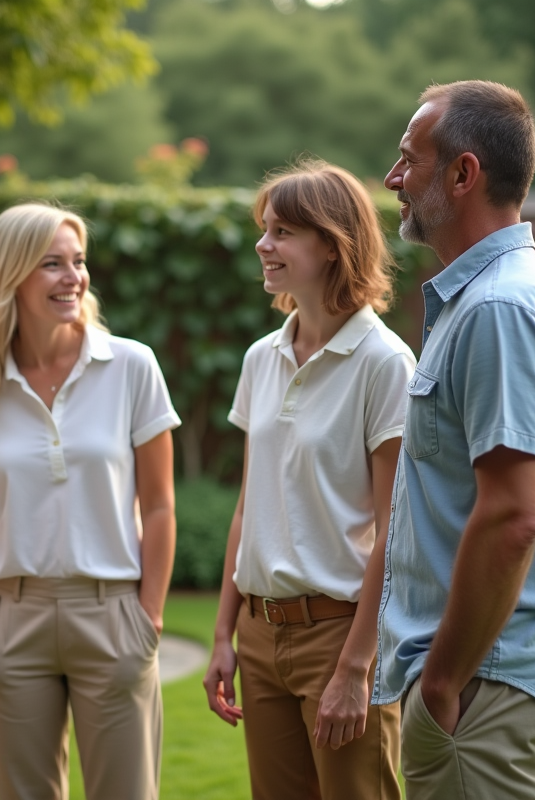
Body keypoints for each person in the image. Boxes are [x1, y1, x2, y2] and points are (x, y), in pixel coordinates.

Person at [373, 80, 535, 799]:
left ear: (463, 174)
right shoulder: (490, 297)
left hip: (481, 687)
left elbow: (513, 515)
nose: (394, 178)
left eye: (409, 158)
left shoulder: (500, 307)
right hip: (483, 683)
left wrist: (442, 683)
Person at [0, 203, 179, 800]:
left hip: (114, 614)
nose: (73, 277)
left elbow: (159, 505)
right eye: (52, 264)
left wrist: (149, 616)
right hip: (11, 620)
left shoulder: (132, 366)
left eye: (78, 262)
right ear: (11, 276)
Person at [202, 158, 414, 800]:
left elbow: (396, 533)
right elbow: (251, 506)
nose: (263, 245)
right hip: (259, 634)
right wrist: (224, 635)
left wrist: (356, 667)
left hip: (340, 635)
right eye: (264, 230)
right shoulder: (260, 358)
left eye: (283, 232)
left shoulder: (385, 363)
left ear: (331, 244)